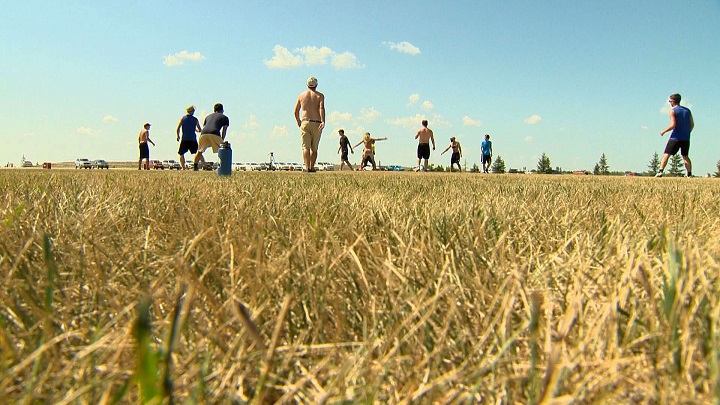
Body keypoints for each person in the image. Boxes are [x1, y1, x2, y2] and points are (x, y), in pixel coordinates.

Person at [656, 93, 694, 177]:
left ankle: (660, 171)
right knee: (685, 156)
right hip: (686, 138)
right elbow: (692, 125)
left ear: (673, 101)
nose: (669, 102)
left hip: (675, 137)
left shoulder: (673, 111)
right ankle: (689, 174)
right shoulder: (687, 111)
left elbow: (673, 125)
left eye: (670, 101)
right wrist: (687, 132)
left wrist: (664, 131)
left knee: (666, 154)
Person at [294, 76, 325, 172]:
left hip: (305, 122)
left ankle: (307, 167)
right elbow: (321, 108)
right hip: (317, 123)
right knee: (314, 148)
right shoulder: (320, 96)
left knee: (305, 147)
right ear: (316, 85)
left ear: (307, 84)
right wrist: (323, 121)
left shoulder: (301, 95)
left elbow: (296, 111)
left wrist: (298, 120)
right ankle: (312, 167)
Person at [194, 103, 229, 171]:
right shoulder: (224, 117)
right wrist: (222, 140)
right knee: (223, 150)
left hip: (203, 133)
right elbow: (224, 130)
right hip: (215, 133)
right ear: (222, 110)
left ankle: (195, 166)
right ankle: (223, 167)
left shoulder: (207, 117)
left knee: (200, 151)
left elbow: (205, 126)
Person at [176, 105, 201, 170]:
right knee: (198, 152)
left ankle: (183, 167)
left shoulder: (183, 118)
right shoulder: (195, 119)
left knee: (181, 153)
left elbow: (178, 128)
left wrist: (177, 135)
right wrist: (195, 130)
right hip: (192, 139)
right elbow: (199, 129)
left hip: (185, 139)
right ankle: (199, 165)